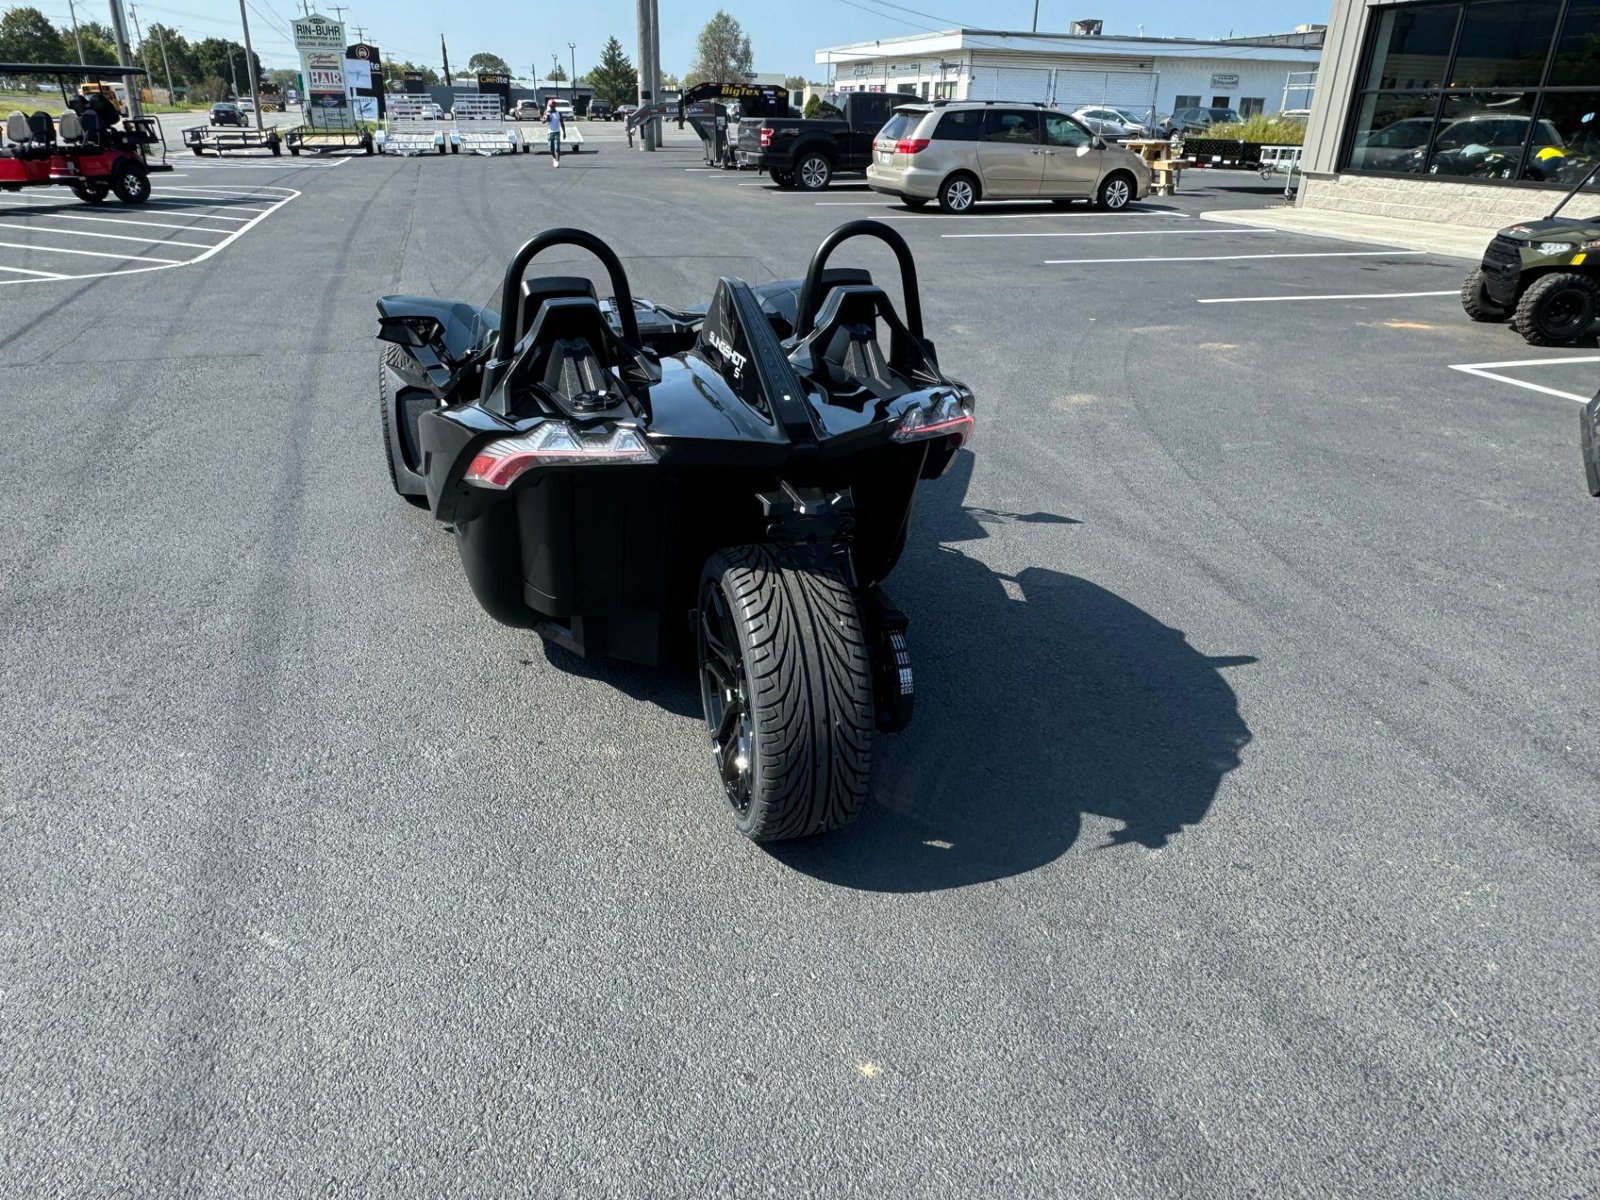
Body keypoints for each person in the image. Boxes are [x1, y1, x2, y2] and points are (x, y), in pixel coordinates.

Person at [545, 100, 563, 167]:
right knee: (551, 149)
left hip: (557, 132)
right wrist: (547, 117)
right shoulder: (547, 112)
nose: (551, 107)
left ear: (555, 106)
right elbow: (544, 121)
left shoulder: (559, 113)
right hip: (550, 133)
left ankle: (557, 162)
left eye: (553, 106)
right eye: (550, 106)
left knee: (557, 148)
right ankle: (554, 158)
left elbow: (562, 122)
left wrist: (564, 132)